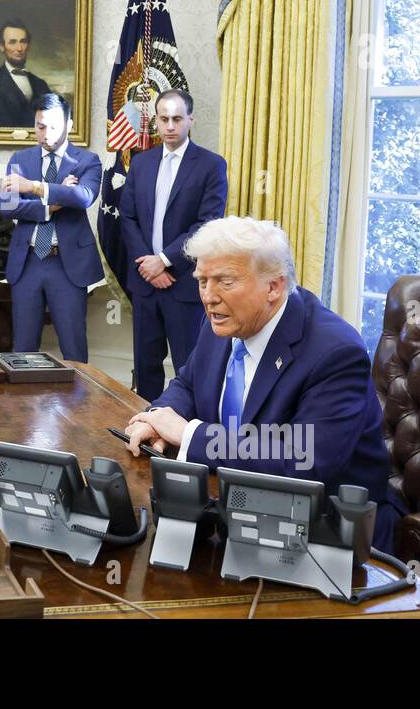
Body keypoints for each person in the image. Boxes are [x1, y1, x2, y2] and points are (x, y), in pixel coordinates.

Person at [122, 217, 401, 553]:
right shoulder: (224, 319)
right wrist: (156, 418)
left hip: (328, 534)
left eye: (224, 281)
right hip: (234, 513)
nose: (208, 298)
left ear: (274, 286)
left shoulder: (336, 352)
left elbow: (303, 458)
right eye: (202, 281)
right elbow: (188, 384)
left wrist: (190, 436)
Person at [118, 89, 228, 402]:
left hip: (183, 285)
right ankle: (146, 425)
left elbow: (206, 225)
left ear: (190, 120)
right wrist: (149, 266)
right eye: (163, 118)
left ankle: (185, 438)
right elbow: (127, 218)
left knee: (188, 367)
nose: (169, 126)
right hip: (145, 284)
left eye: (177, 119)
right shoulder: (141, 163)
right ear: (155, 120)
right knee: (145, 366)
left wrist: (165, 261)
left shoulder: (210, 165)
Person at [0, 93, 102, 362]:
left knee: (74, 349)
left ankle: (80, 405)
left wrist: (32, 187)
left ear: (68, 124)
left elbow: (83, 198)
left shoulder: (87, 161)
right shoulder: (20, 159)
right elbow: (7, 207)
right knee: (23, 350)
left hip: (67, 266)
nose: (45, 133)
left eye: (53, 126)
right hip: (28, 262)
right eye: (40, 126)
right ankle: (24, 404)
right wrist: (50, 205)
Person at [0, 21, 53, 129]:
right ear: (1, 47)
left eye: (23, 41)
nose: (19, 48)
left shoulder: (40, 85)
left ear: (28, 45)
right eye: (12, 42)